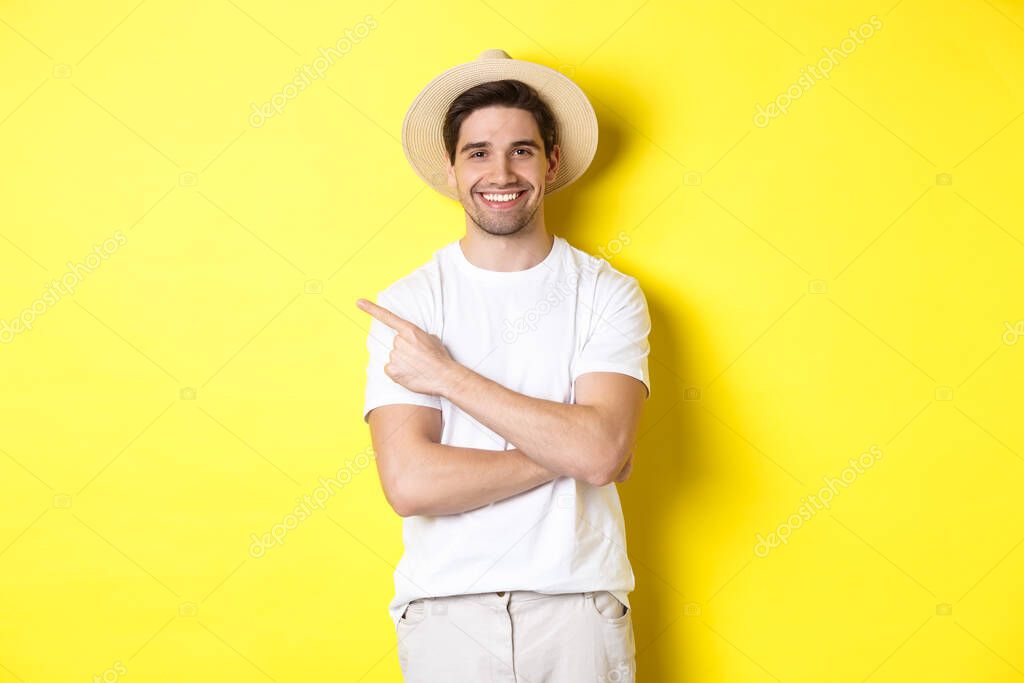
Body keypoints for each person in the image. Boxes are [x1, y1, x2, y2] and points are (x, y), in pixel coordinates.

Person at [356, 49, 651, 682]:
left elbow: (600, 452)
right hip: (444, 614)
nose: (501, 171)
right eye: (479, 152)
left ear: (552, 160)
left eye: (521, 149)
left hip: (577, 608)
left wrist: (447, 376)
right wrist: (574, 449)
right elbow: (409, 484)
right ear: (452, 168)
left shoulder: (607, 293)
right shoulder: (411, 304)